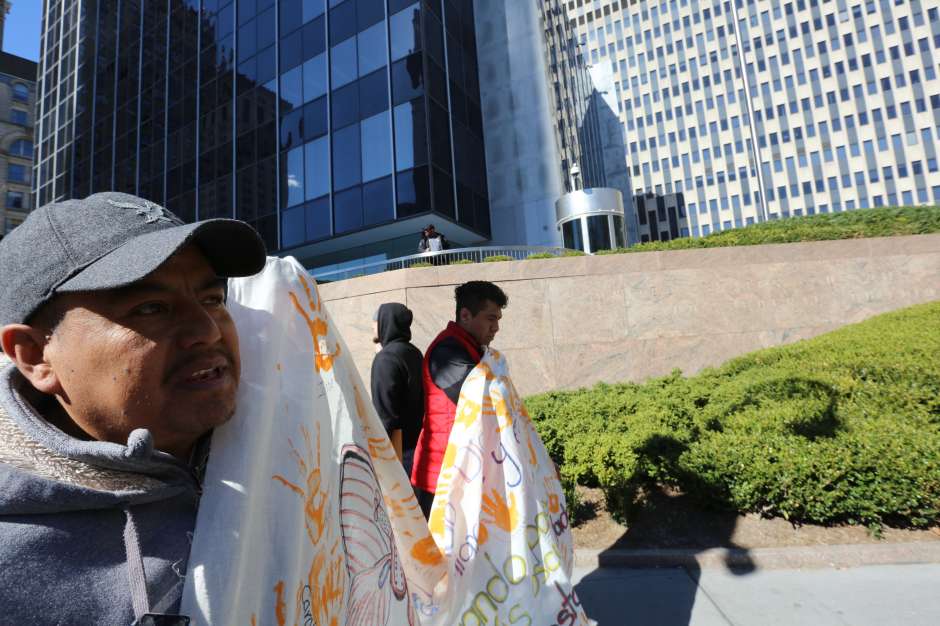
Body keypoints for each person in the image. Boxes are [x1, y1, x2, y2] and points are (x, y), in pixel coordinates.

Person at [0, 192, 266, 624]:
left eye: (213, 299)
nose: (206, 330)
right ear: (35, 355)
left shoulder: (291, 445)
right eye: (151, 308)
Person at [410, 281, 508, 518]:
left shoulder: (469, 348)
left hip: (456, 470)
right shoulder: (447, 352)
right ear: (465, 315)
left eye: (498, 320)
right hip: (441, 475)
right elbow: (487, 401)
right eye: (490, 318)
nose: (496, 328)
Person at [370, 303, 425, 478]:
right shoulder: (414, 352)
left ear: (385, 322)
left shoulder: (386, 358)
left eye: (375, 321)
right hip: (418, 445)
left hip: (398, 451)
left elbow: (385, 415)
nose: (372, 325)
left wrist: (377, 454)